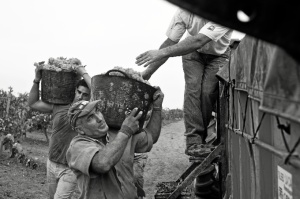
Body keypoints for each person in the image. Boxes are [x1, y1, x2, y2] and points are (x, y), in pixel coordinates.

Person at [135, 8, 232, 156]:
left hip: (218, 54)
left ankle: (205, 137)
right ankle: (193, 142)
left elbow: (199, 40)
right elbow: (170, 42)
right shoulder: (184, 12)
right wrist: (146, 74)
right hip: (192, 53)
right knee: (193, 90)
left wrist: (160, 52)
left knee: (207, 93)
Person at [65, 87, 164, 199]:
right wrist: (125, 131)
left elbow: (151, 136)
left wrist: (157, 107)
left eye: (97, 111)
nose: (99, 118)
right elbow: (102, 163)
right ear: (80, 130)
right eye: (90, 118)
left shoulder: (118, 133)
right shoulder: (77, 146)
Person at [28, 63, 91, 199]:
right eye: (79, 92)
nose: (80, 96)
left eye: (85, 95)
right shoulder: (59, 105)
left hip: (70, 168)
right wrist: (37, 79)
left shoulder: (89, 113)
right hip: (51, 162)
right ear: (74, 91)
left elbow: (99, 93)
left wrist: (83, 72)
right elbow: (33, 103)